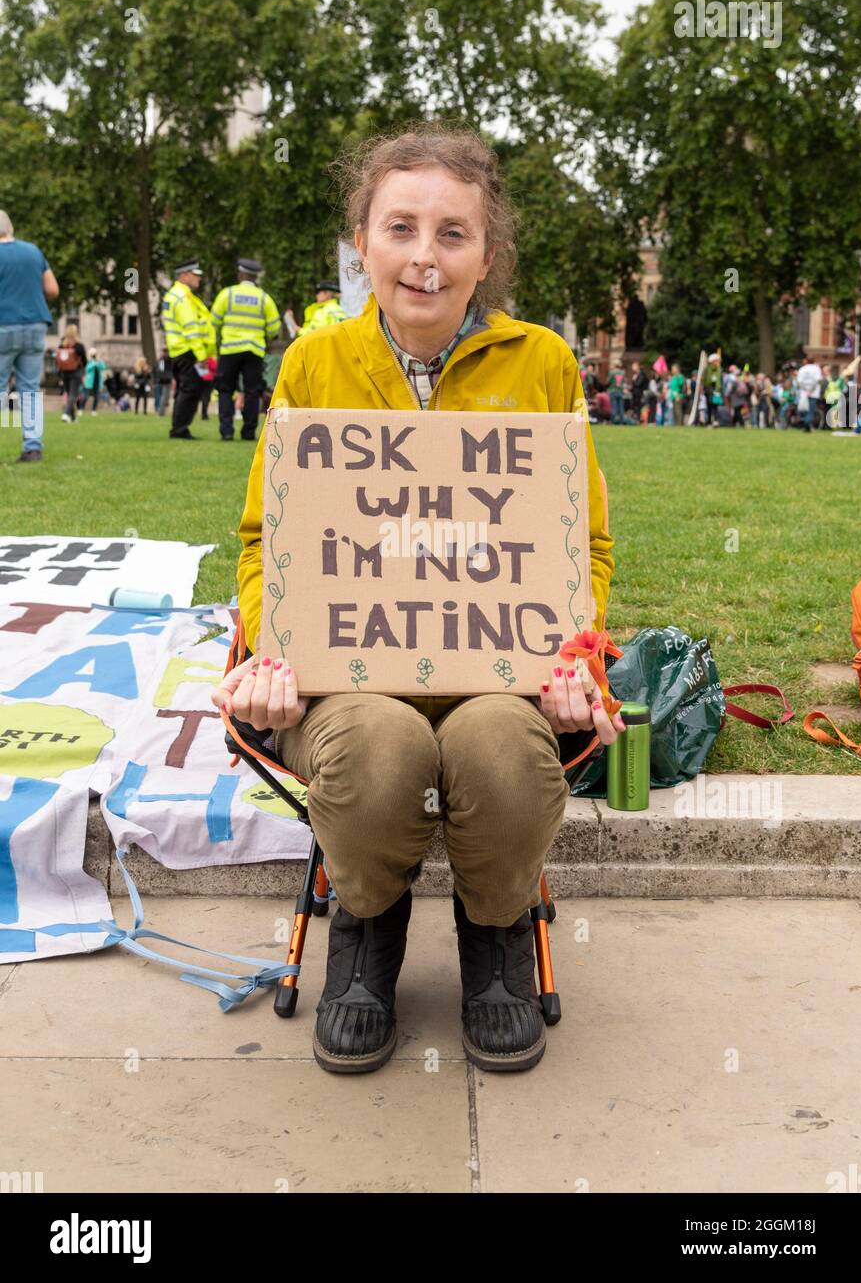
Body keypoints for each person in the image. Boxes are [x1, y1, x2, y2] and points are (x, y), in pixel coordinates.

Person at [213, 125, 623, 1077]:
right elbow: (265, 538)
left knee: (501, 749)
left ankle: (495, 932)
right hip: (349, 687)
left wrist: (575, 662)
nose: (424, 258)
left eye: (452, 234)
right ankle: (364, 927)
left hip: (502, 684)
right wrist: (274, 654)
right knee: (381, 747)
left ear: (488, 254)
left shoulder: (546, 365)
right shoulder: (313, 364)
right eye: (401, 228)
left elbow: (582, 544)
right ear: (362, 241)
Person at [0, 209, 58, 462]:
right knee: (30, 389)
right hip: (35, 324)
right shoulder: (33, 251)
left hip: (3, 324)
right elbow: (52, 289)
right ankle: (33, 447)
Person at [210, 259, 281, 442]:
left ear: (240, 275)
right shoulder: (264, 298)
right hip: (254, 351)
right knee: (252, 391)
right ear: (255, 277)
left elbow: (214, 321)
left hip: (229, 350)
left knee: (225, 390)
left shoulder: (228, 294)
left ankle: (226, 431)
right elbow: (274, 327)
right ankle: (248, 432)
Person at [160, 260, 215, 440]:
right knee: (190, 390)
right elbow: (191, 329)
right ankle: (180, 429)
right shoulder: (183, 298)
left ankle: (179, 427)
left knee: (184, 390)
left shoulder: (174, 295)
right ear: (184, 275)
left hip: (178, 350)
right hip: (188, 351)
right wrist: (201, 356)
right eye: (195, 274)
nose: (198, 278)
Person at [56, 323, 86, 423]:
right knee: (73, 395)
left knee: (70, 395)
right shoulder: (78, 346)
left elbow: (58, 360)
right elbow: (84, 360)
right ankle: (66, 413)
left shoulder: (62, 345)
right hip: (75, 372)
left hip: (64, 373)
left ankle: (73, 418)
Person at [795, 352, 823, 433]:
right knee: (811, 410)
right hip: (813, 392)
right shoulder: (816, 369)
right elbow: (817, 381)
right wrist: (811, 390)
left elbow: (799, 382)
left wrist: (805, 390)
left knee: (804, 409)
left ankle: (806, 425)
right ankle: (807, 424)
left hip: (804, 392)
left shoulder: (802, 369)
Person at [82, 349, 107, 414]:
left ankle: (94, 410)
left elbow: (103, 367)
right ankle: (81, 409)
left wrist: (98, 361)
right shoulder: (88, 361)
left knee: (97, 396)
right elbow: (87, 369)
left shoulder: (99, 361)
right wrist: (93, 363)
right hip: (89, 381)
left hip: (97, 381)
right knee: (85, 396)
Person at [154, 349, 172, 416]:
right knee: (164, 396)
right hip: (166, 380)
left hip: (161, 380)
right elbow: (161, 370)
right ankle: (161, 412)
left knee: (163, 396)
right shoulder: (166, 359)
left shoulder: (161, 360)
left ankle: (161, 411)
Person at [608, 358, 625, 424]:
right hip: (620, 391)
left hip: (613, 390)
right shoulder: (622, 372)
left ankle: (612, 421)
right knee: (621, 407)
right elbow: (623, 382)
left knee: (614, 407)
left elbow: (608, 381)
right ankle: (622, 421)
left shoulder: (611, 372)